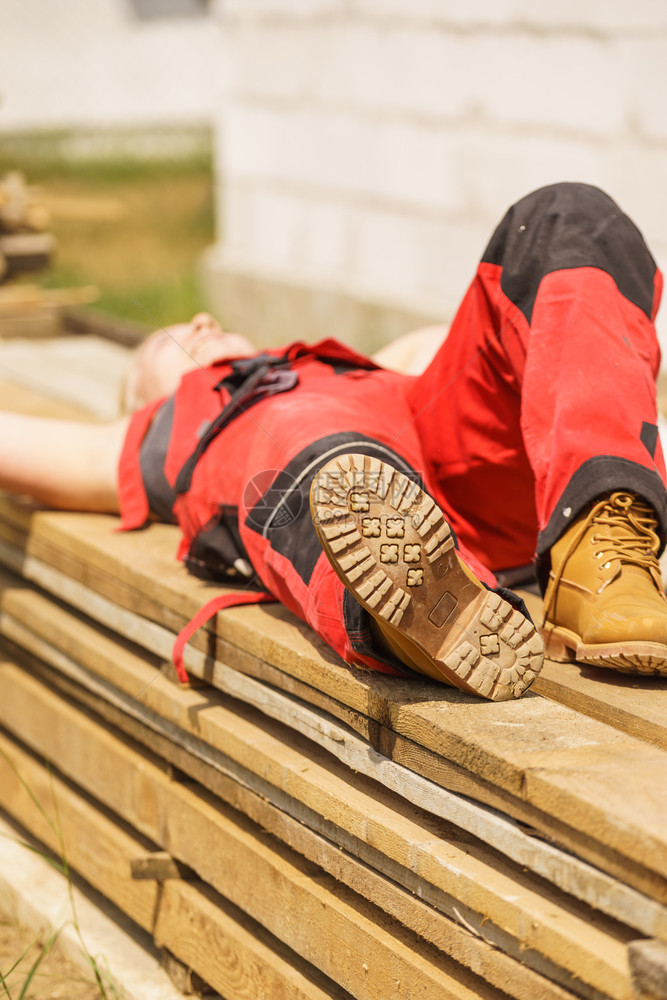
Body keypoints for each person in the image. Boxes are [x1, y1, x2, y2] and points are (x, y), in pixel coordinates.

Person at [1, 182, 666, 700]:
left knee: (565, 217)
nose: (200, 320)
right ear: (141, 399)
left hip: (453, 465)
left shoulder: (353, 362)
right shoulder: (161, 430)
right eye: (162, 341)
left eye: (205, 320)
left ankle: (601, 551)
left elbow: (494, 346)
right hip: (326, 468)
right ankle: (416, 614)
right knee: (302, 432)